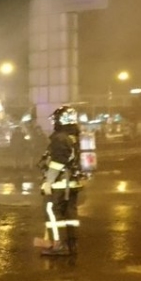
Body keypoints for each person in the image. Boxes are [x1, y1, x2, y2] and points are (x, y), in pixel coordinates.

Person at [35, 106, 86, 255]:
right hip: (72, 183)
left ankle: (57, 245)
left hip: (59, 184)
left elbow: (58, 162)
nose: (54, 123)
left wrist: (48, 182)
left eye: (56, 119)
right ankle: (70, 243)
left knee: (53, 213)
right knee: (70, 215)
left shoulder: (60, 138)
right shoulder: (73, 137)